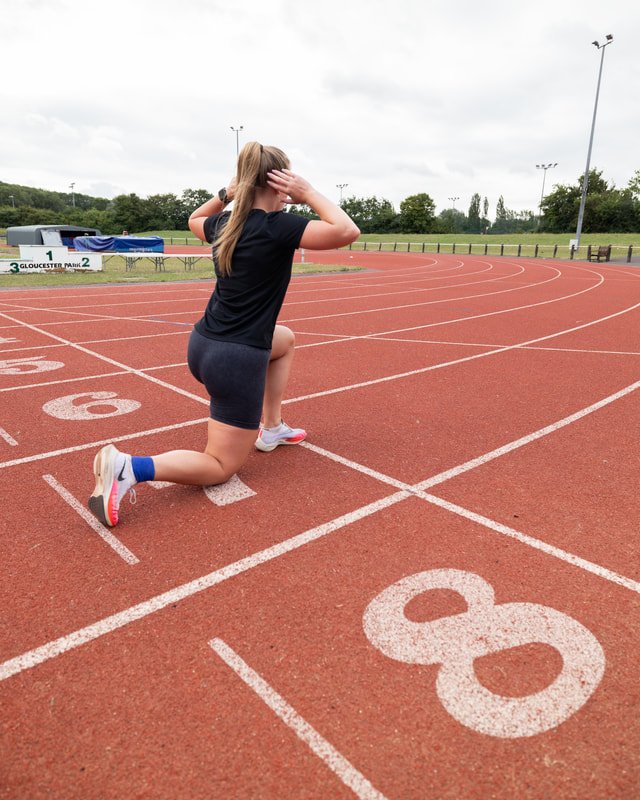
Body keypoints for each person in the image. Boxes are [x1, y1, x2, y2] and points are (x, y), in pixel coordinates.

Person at [88, 141, 360, 527]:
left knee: (284, 340)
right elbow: (347, 230)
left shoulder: (225, 222)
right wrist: (308, 192)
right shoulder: (278, 227)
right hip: (236, 360)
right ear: (280, 183)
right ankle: (129, 467)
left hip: (203, 344)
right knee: (220, 466)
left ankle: (273, 427)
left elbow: (193, 218)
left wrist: (226, 195)